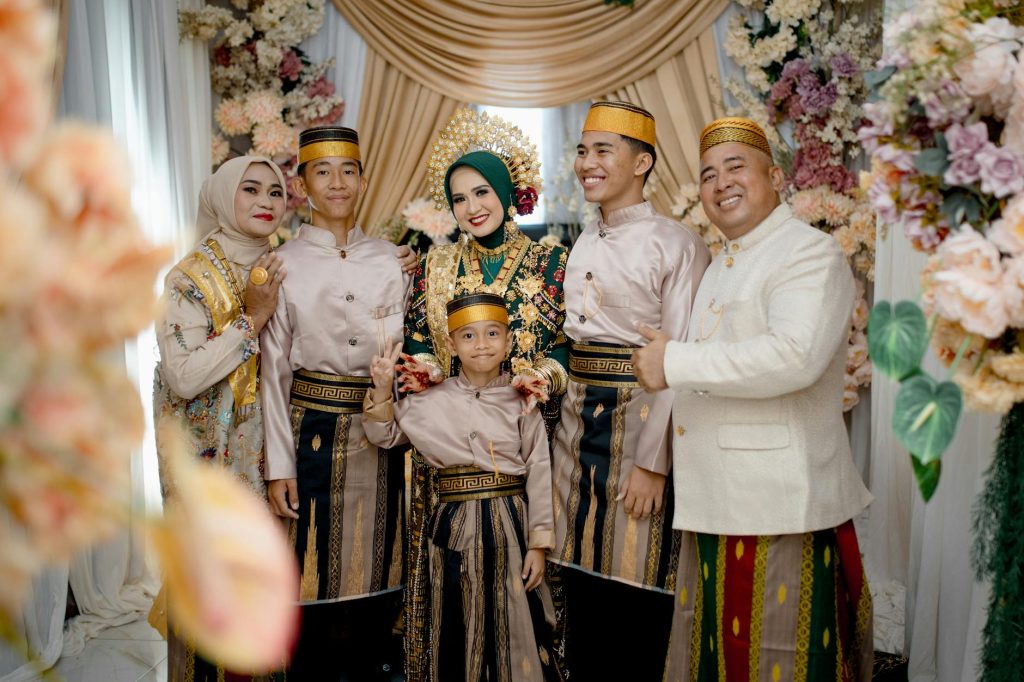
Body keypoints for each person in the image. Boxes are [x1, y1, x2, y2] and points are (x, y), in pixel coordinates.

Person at [632, 117, 873, 681]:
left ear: (777, 176)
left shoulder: (807, 253)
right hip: (722, 500)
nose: (720, 183)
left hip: (775, 504)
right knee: (717, 658)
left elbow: (794, 356)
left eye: (736, 167)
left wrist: (673, 362)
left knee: (776, 658)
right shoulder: (729, 261)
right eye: (709, 174)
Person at [398, 108, 569, 678]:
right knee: (457, 586)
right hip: (451, 441)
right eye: (459, 198)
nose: (471, 208)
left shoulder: (549, 262)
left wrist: (544, 375)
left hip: (527, 435)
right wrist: (423, 368)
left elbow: (568, 342)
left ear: (504, 189)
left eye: (481, 192)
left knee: (527, 580)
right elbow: (421, 337)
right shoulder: (435, 263)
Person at [549, 101, 711, 681]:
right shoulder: (583, 241)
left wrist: (653, 463)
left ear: (642, 162)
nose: (587, 163)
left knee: (638, 581)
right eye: (582, 150)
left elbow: (680, 358)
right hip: (576, 430)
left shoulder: (677, 242)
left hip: (640, 424)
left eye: (603, 151)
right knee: (580, 578)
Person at [260, 126, 414, 678]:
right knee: (309, 578)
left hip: (380, 436)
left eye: (349, 171)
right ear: (301, 185)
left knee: (377, 572)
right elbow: (272, 370)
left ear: (365, 180)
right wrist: (279, 466)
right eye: (322, 172)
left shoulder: (392, 262)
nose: (338, 182)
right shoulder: (284, 264)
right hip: (310, 437)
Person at [364, 293, 563, 682]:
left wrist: (538, 543)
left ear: (508, 341)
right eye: (468, 336)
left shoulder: (522, 400)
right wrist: (384, 388)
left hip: (511, 523)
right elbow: (383, 434)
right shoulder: (428, 399)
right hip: (452, 526)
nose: (482, 344)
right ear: (451, 345)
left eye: (492, 334)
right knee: (457, 617)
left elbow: (539, 468)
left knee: (515, 617)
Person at [153, 155, 289, 681]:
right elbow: (183, 376)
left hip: (262, 463)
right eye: (250, 190)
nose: (265, 203)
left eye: (275, 193)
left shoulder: (275, 262)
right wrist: (251, 318)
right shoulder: (188, 277)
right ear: (222, 196)